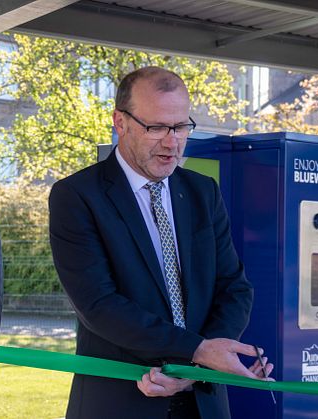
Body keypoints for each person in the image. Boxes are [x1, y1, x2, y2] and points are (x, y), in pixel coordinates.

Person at [49, 66, 272, 419]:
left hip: (203, 402)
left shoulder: (202, 192)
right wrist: (197, 352)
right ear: (119, 122)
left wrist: (198, 365)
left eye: (181, 126)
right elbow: (99, 305)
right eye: (155, 128)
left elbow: (234, 288)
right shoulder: (77, 196)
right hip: (121, 403)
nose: (172, 142)